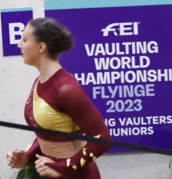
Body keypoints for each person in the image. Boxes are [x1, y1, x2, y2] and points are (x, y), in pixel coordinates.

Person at [7, 17, 110, 178]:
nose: (19, 44)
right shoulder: (39, 81)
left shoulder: (66, 90)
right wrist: (27, 156)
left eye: (25, 40)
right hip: (48, 170)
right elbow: (47, 133)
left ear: (41, 47)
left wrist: (64, 167)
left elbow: (103, 138)